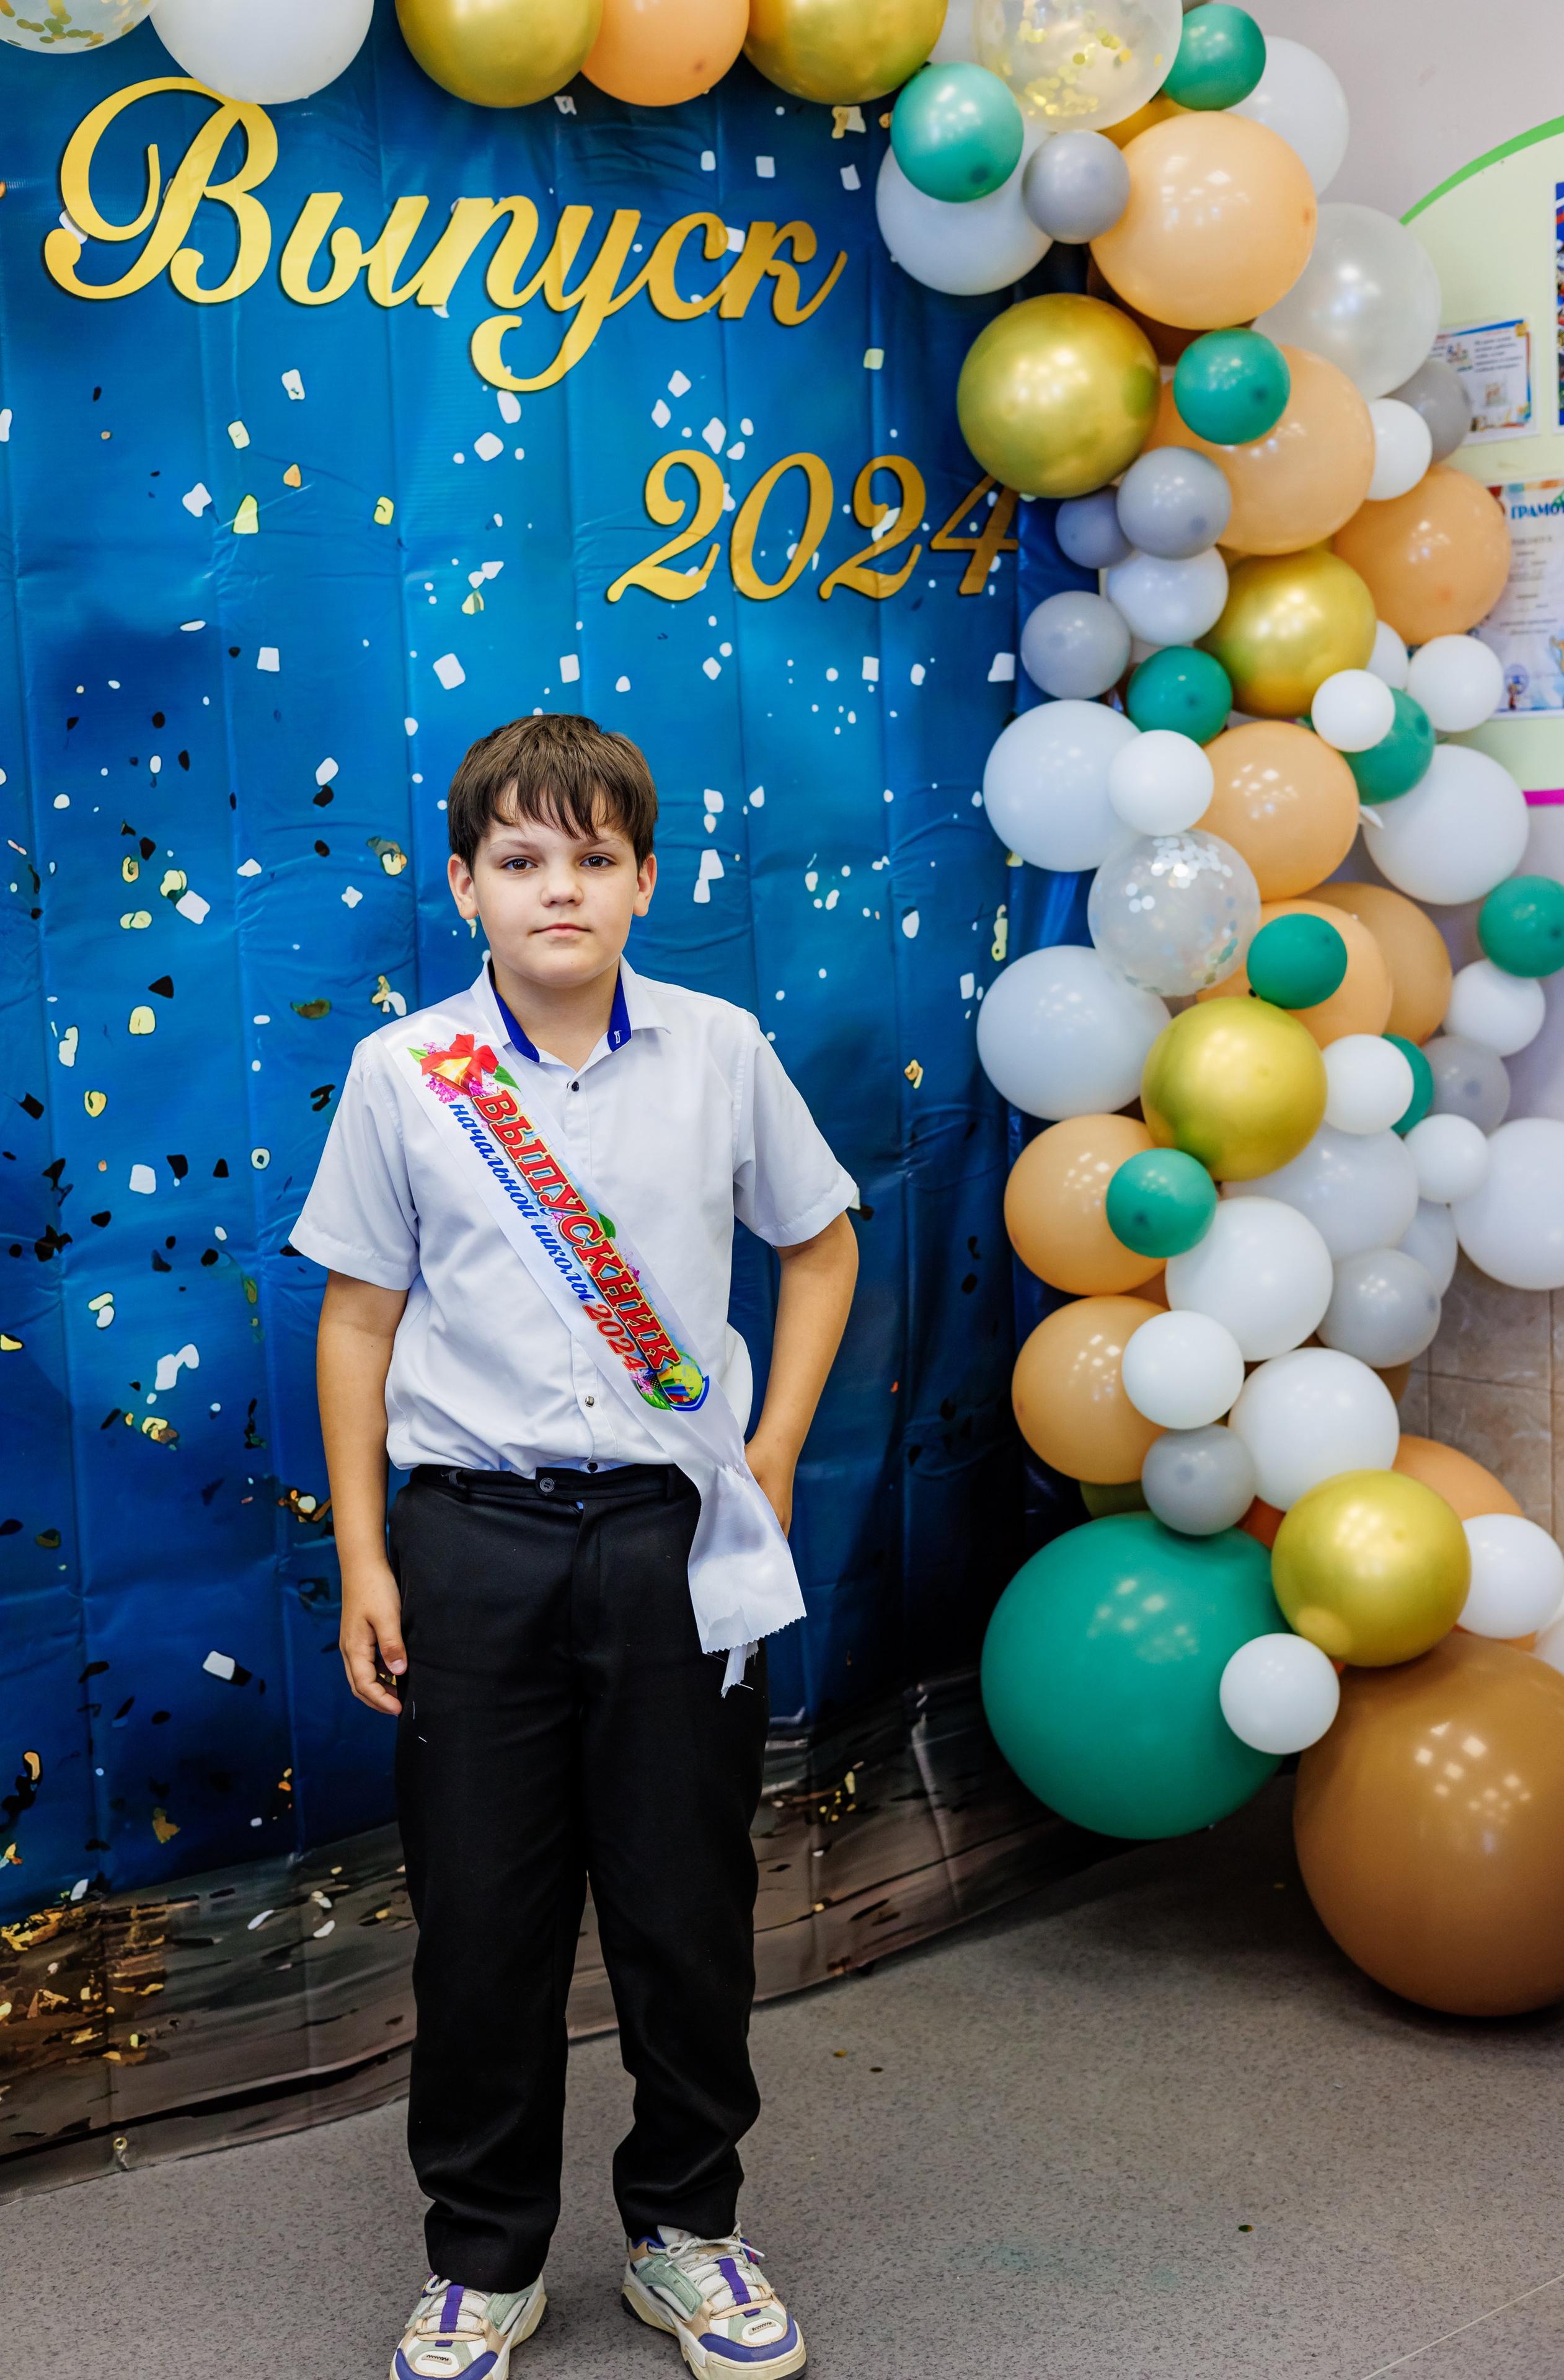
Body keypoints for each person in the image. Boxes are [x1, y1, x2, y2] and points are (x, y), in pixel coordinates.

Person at [293, 713, 858, 2380]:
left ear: (644, 879)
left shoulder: (724, 1050)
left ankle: (689, 2234)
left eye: (594, 858)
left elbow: (820, 1252)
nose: (561, 889)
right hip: (468, 1539)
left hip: (673, 1545)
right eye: (522, 860)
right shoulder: (411, 1074)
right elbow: (355, 1319)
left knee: (685, 1905)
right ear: (464, 883)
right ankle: (484, 2258)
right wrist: (366, 1558)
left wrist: (761, 1452)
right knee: (484, 1919)